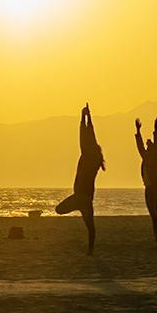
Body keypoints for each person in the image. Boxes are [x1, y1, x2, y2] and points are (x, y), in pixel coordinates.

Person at [54, 105, 104, 255]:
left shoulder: (88, 157)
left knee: (59, 210)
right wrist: (89, 118)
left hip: (79, 198)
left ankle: (90, 250)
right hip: (86, 199)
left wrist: (83, 117)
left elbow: (84, 136)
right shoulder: (96, 161)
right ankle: (90, 250)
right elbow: (91, 137)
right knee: (90, 226)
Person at [136, 117, 157, 244]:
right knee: (154, 216)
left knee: (155, 214)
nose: (147, 146)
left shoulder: (155, 158)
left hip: (154, 189)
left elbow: (154, 144)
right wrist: (139, 131)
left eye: (149, 145)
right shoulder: (150, 157)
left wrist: (155, 130)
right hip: (150, 189)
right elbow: (140, 147)